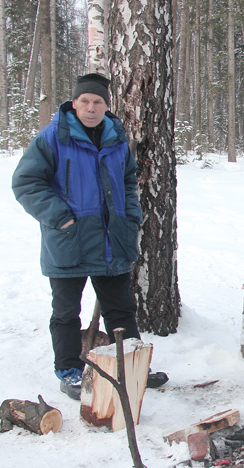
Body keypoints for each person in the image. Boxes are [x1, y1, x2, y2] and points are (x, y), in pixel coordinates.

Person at [12, 73, 168, 399]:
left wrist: (130, 218)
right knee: (67, 311)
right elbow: (26, 183)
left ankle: (132, 365)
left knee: (121, 309)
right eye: (85, 101)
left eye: (98, 101)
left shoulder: (115, 138)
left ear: (107, 105)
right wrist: (61, 219)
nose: (91, 107)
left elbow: (127, 182)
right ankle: (69, 371)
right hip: (68, 239)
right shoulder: (53, 137)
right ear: (74, 103)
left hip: (112, 239)